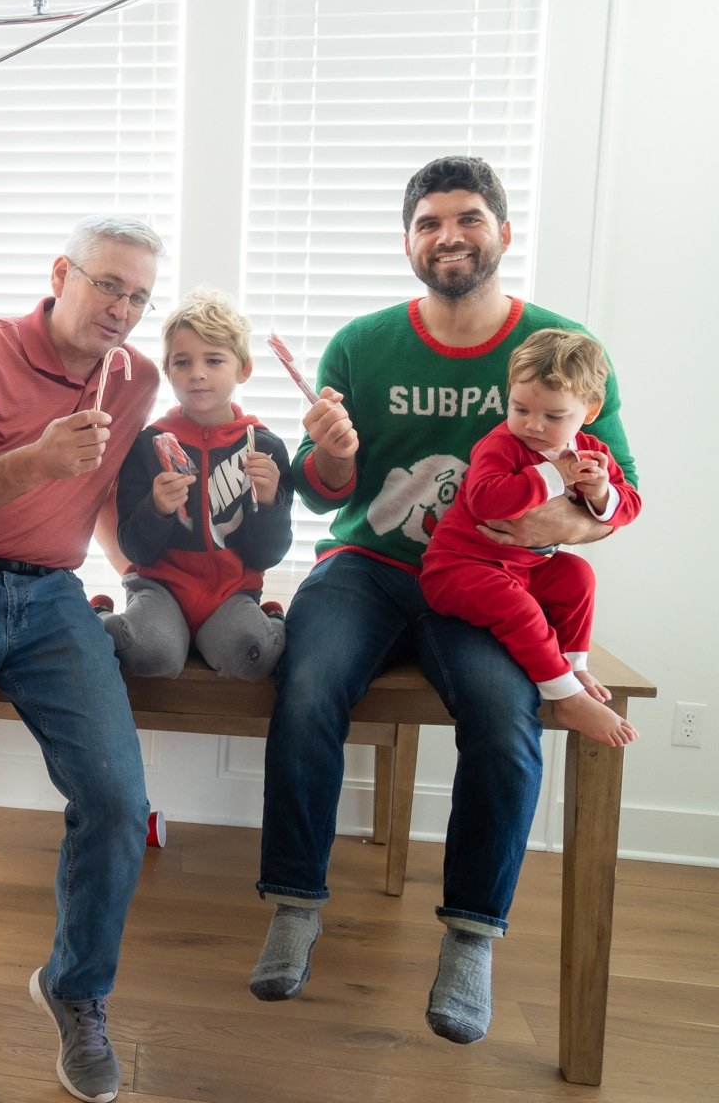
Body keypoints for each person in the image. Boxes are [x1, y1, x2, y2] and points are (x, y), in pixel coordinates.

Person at [251, 156, 638, 1047]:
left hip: (492, 579)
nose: (448, 237)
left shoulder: (561, 349)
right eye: (428, 223)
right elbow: (323, 491)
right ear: (408, 242)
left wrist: (546, 529)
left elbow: (619, 494)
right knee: (308, 689)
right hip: (369, 564)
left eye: (467, 219)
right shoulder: (361, 342)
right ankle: (294, 902)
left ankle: (472, 933)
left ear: (504, 232)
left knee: (506, 721)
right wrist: (334, 453)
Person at [0, 215, 163, 1103]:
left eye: (138, 296)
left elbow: (118, 492)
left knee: (120, 802)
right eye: (108, 285)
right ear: (62, 273)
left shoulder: (137, 379)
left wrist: (142, 581)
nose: (122, 309)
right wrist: (39, 461)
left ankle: (76, 991)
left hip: (53, 599)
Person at [420, 328, 641, 745]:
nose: (533, 425)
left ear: (589, 412)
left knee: (578, 576)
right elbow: (486, 500)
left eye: (554, 417)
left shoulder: (592, 453)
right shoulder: (501, 444)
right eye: (520, 408)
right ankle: (564, 695)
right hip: (459, 569)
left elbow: (629, 504)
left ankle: (573, 664)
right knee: (519, 608)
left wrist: (599, 493)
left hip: (525, 568)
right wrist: (553, 475)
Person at [108, 288, 292, 680]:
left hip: (232, 593)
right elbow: (134, 547)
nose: (197, 373)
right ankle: (98, 614)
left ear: (243, 369)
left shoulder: (266, 447)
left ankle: (270, 618)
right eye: (182, 362)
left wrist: (271, 501)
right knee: (148, 657)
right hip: (161, 588)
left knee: (253, 656)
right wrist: (155, 509)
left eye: (213, 360)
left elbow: (268, 554)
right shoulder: (147, 445)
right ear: (167, 370)